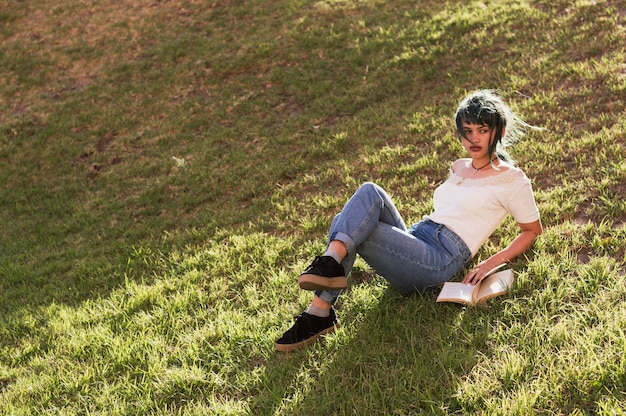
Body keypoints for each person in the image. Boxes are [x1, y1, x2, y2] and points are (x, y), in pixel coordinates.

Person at [275, 89, 543, 352]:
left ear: (500, 131)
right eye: (467, 131)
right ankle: (330, 266)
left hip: (441, 258)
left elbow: (531, 230)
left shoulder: (512, 179)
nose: (474, 138)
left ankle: (319, 310)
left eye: (482, 130)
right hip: (419, 237)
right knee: (369, 194)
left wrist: (491, 262)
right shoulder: (459, 166)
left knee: (350, 226)